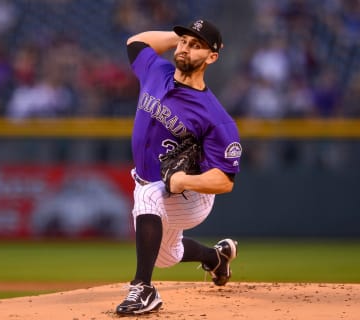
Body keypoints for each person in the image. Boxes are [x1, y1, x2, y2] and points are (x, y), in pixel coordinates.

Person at [116, 19, 242, 316]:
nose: (186, 48)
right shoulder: (156, 71)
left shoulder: (215, 116)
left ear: (212, 57)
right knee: (165, 256)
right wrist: (180, 37)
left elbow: (224, 180)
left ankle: (143, 289)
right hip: (157, 184)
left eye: (196, 45)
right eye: (184, 42)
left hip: (191, 196)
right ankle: (215, 257)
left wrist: (184, 180)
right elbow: (136, 42)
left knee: (147, 197)